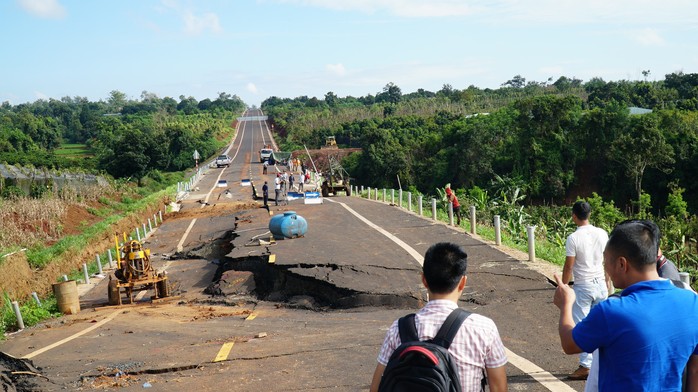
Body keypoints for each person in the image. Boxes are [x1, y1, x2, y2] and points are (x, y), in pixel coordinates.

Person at [554, 219, 698, 391]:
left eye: (605, 261)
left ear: (622, 264)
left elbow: (569, 344)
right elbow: (694, 369)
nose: (605, 267)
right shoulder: (692, 302)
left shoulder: (612, 311)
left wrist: (566, 304)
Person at [369, 242, 508, 392]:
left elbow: (376, 388)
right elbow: (499, 388)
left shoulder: (398, 328)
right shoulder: (484, 328)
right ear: (462, 283)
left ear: (424, 280)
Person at [560, 200, 609, 380]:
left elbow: (568, 267)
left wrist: (563, 286)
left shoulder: (573, 238)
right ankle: (601, 362)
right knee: (602, 324)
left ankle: (586, 366)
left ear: (574, 216)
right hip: (601, 284)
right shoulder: (602, 233)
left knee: (582, 325)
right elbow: (607, 259)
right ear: (589, 214)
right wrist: (608, 280)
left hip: (583, 285)